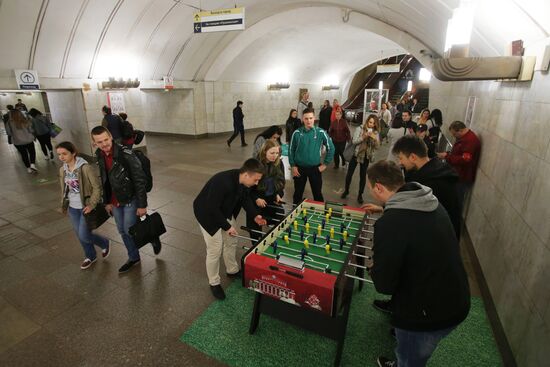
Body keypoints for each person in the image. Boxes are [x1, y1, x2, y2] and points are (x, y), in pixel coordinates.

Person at [364, 160, 470, 367]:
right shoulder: (429, 201)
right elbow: (413, 229)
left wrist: (374, 269)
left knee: (410, 358)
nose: (372, 192)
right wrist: (384, 208)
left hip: (428, 314)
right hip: (456, 296)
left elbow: (384, 284)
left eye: (371, 189)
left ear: (378, 187)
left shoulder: (390, 223)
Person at [193, 158, 267, 300]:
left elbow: (245, 199)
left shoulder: (242, 181)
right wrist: (227, 227)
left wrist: (255, 215)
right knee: (215, 248)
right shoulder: (222, 182)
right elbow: (211, 208)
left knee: (232, 241)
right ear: (246, 175)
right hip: (206, 214)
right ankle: (214, 282)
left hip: (224, 211)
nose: (256, 183)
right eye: (256, 180)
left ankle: (232, 270)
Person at [91, 126, 161, 273]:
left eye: (106, 139)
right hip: (115, 200)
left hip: (130, 198)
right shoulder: (100, 154)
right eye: (99, 142)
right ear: (94, 143)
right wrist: (107, 201)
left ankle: (151, 236)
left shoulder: (125, 154)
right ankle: (133, 257)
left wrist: (142, 205)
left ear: (111, 137)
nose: (104, 144)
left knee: (129, 230)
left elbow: (139, 180)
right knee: (122, 231)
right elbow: (105, 180)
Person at [56, 141, 110, 270]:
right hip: (73, 208)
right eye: (59, 154)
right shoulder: (62, 169)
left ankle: (104, 242)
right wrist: (64, 205)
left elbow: (97, 187)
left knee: (84, 235)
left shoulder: (85, 167)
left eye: (64, 154)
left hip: (85, 207)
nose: (61, 157)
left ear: (73, 153)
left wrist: (92, 204)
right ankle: (90, 256)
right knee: (79, 234)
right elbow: (64, 189)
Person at [289, 108, 334, 204]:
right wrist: (293, 165)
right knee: (297, 194)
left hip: (315, 169)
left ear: (314, 118)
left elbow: (331, 148)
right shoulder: (296, 133)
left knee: (317, 194)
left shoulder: (321, 132)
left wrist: (325, 164)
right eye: (306, 118)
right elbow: (290, 150)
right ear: (302, 119)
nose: (308, 121)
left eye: (310, 118)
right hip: (299, 169)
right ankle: (294, 213)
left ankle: (321, 215)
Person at [437, 121, 481, 211]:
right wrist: (448, 154)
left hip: (462, 176)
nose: (454, 136)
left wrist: (447, 156)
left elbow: (465, 159)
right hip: (457, 173)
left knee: (457, 201)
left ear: (460, 131)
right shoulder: (464, 138)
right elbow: (458, 153)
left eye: (454, 134)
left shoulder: (470, 140)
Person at [248, 140, 285, 240]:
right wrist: (256, 199)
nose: (275, 156)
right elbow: (247, 189)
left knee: (281, 219)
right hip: (257, 199)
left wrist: (278, 194)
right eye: (272, 153)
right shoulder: (255, 164)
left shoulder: (279, 163)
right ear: (264, 151)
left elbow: (281, 182)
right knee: (255, 230)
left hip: (272, 198)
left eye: (277, 153)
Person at [341, 114, 380, 204]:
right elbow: (354, 141)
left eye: (373, 124)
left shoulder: (375, 132)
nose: (371, 125)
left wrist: (375, 139)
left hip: (366, 156)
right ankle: (346, 190)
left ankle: (360, 195)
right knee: (349, 174)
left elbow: (377, 147)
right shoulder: (360, 128)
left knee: (363, 176)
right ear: (367, 121)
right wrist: (364, 136)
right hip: (356, 154)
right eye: (370, 122)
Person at [5, 109, 37, 173]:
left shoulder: (9, 123)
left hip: (18, 142)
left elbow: (9, 133)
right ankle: (32, 164)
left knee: (24, 154)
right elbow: (31, 130)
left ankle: (28, 168)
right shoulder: (25, 120)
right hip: (28, 140)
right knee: (32, 152)